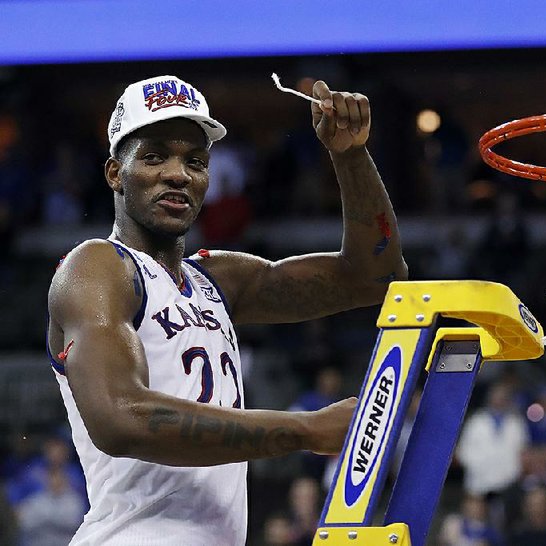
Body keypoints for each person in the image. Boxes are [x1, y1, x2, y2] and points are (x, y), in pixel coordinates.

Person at [46, 75, 407, 545]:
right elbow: (120, 418)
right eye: (155, 156)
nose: (178, 174)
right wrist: (305, 428)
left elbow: (376, 276)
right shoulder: (96, 267)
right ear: (116, 173)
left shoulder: (218, 279)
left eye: (194, 161)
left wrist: (350, 155)